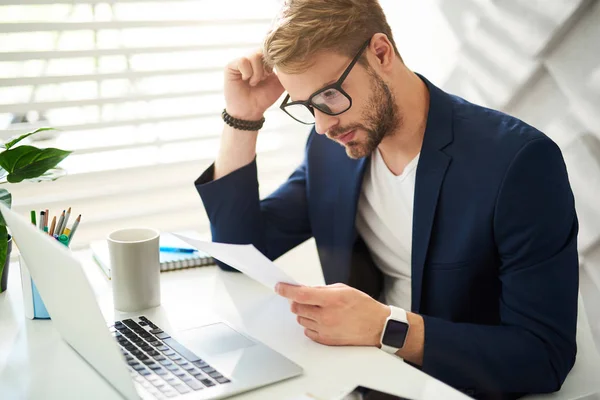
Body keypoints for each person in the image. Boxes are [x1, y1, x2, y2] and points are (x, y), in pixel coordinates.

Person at [194, 1, 579, 398]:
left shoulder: (516, 163)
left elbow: (543, 356)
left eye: (328, 95)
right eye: (308, 106)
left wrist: (386, 328)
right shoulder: (331, 150)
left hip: (451, 384)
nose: (323, 125)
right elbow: (237, 252)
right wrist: (243, 117)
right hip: (361, 374)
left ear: (381, 53)